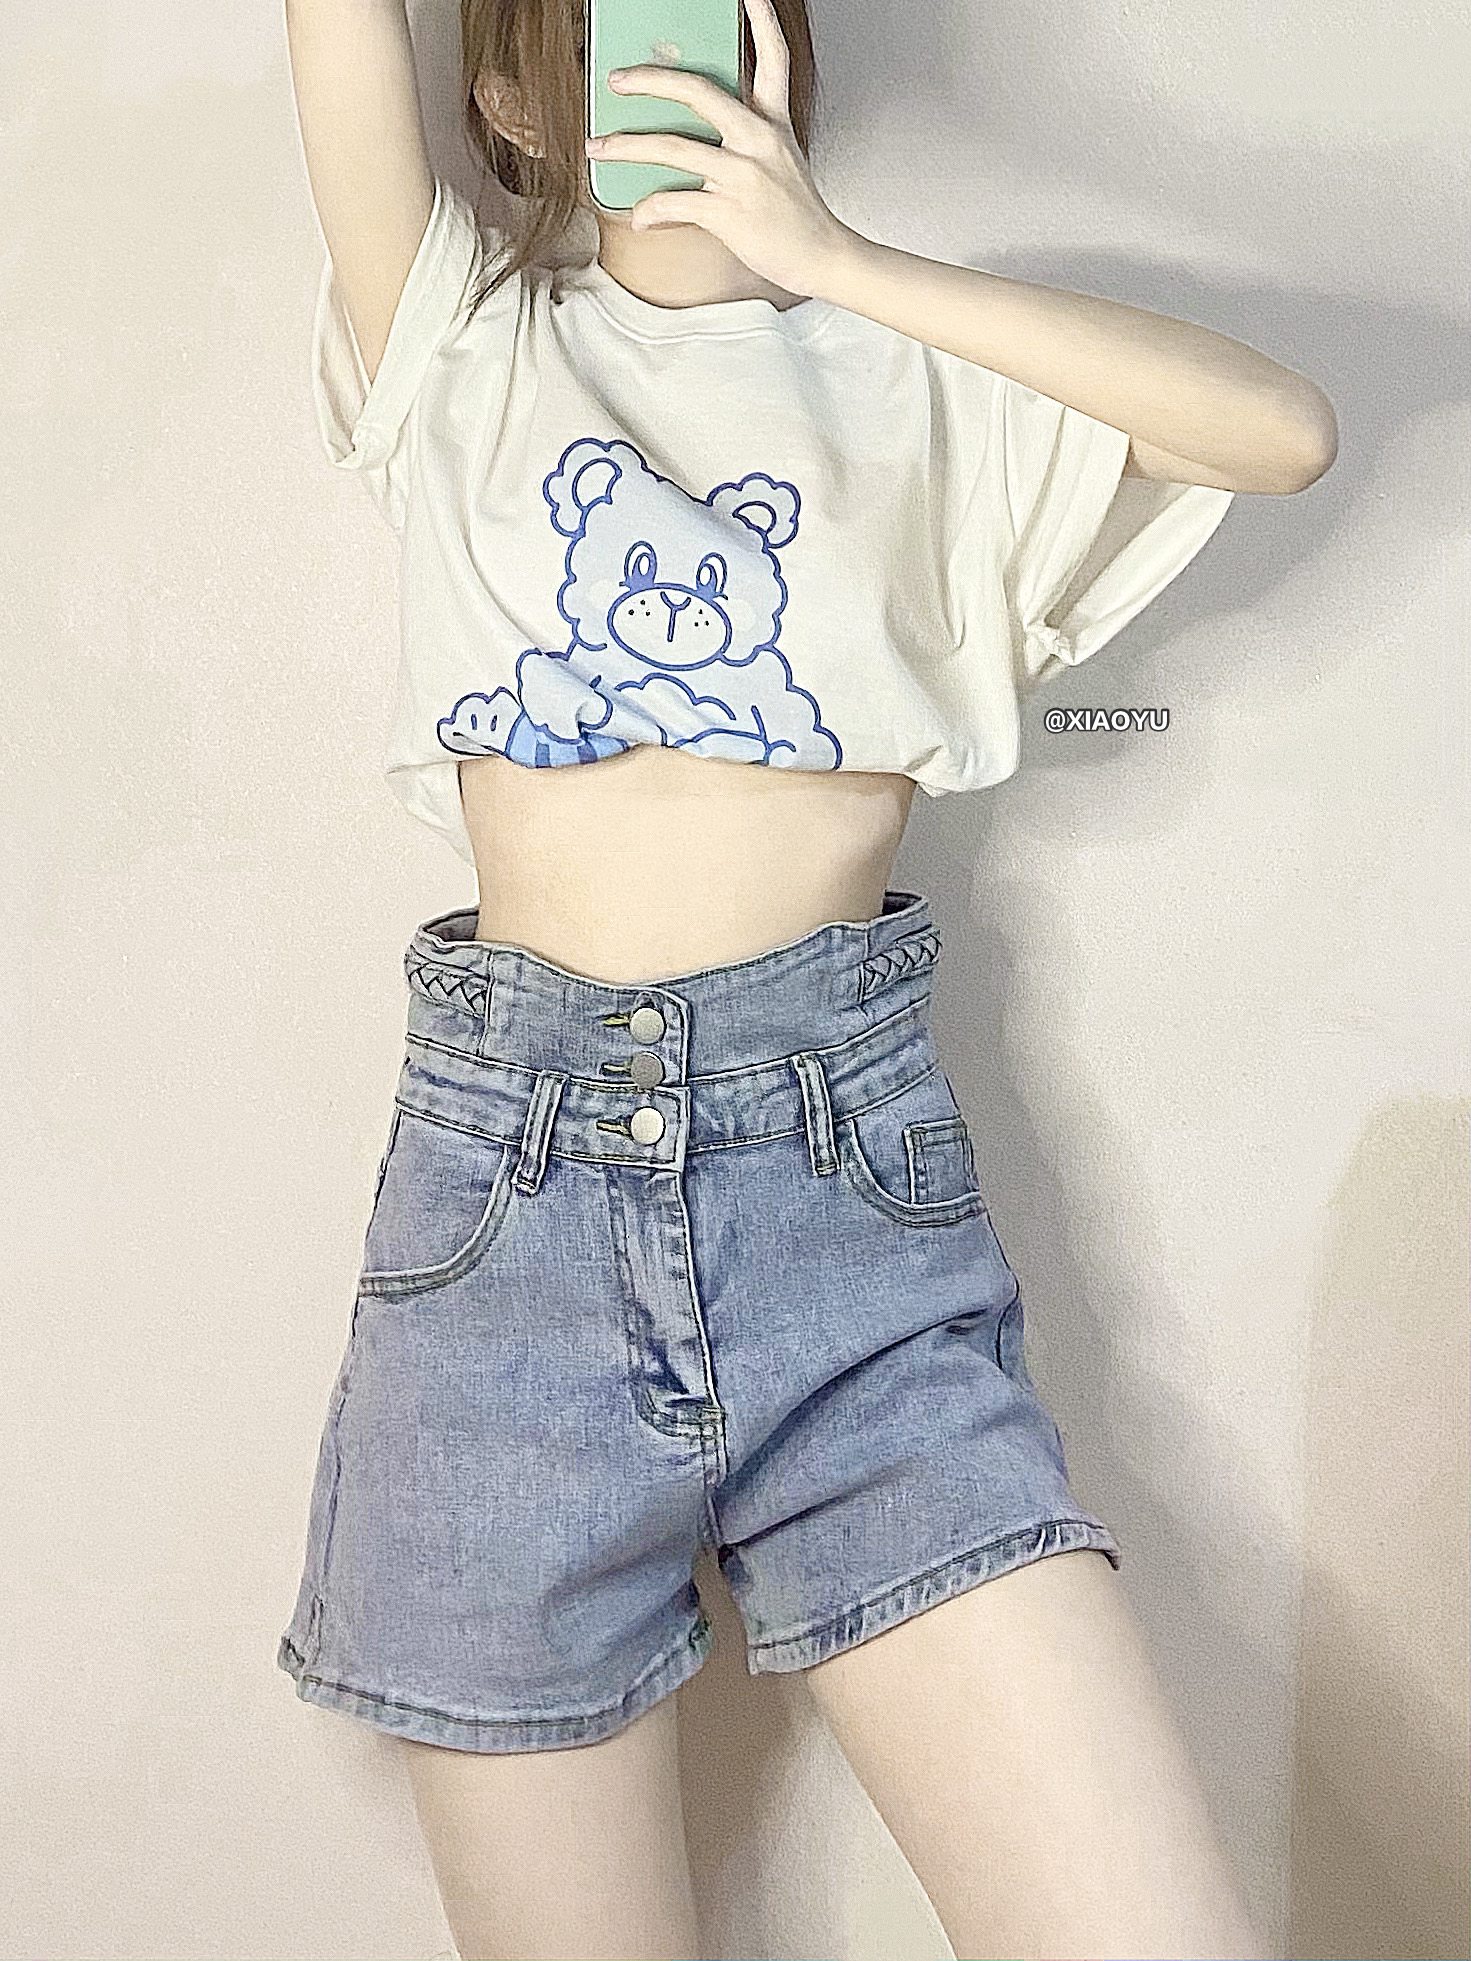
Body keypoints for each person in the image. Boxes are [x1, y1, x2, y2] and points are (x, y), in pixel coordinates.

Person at [276, 0, 1335, 1954]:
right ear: (515, 97)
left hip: (844, 1210)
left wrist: (834, 257)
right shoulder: (458, 347)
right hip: (506, 1233)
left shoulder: (917, 380)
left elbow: (1282, 433)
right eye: (613, 22)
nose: (674, 55)